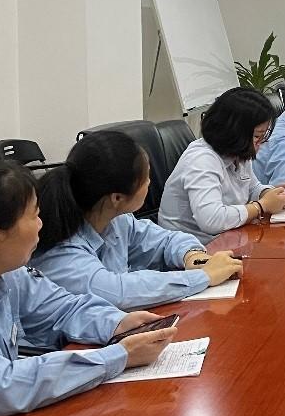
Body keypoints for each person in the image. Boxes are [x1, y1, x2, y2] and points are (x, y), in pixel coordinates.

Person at [0, 157, 175, 416]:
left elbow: (64, 309)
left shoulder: (7, 274)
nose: (41, 224)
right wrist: (119, 356)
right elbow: (2, 385)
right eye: (34, 215)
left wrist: (118, 323)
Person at [30, 132, 243, 311]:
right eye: (146, 178)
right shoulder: (61, 248)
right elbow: (118, 293)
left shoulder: (116, 219)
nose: (150, 182)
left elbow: (165, 240)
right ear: (117, 198)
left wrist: (193, 256)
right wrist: (204, 276)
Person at [159, 87, 285, 244]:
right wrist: (261, 206)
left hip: (227, 239)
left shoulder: (237, 153)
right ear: (235, 132)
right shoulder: (202, 159)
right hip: (191, 249)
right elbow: (211, 220)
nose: (260, 143)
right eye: (257, 136)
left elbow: (252, 188)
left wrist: (269, 193)